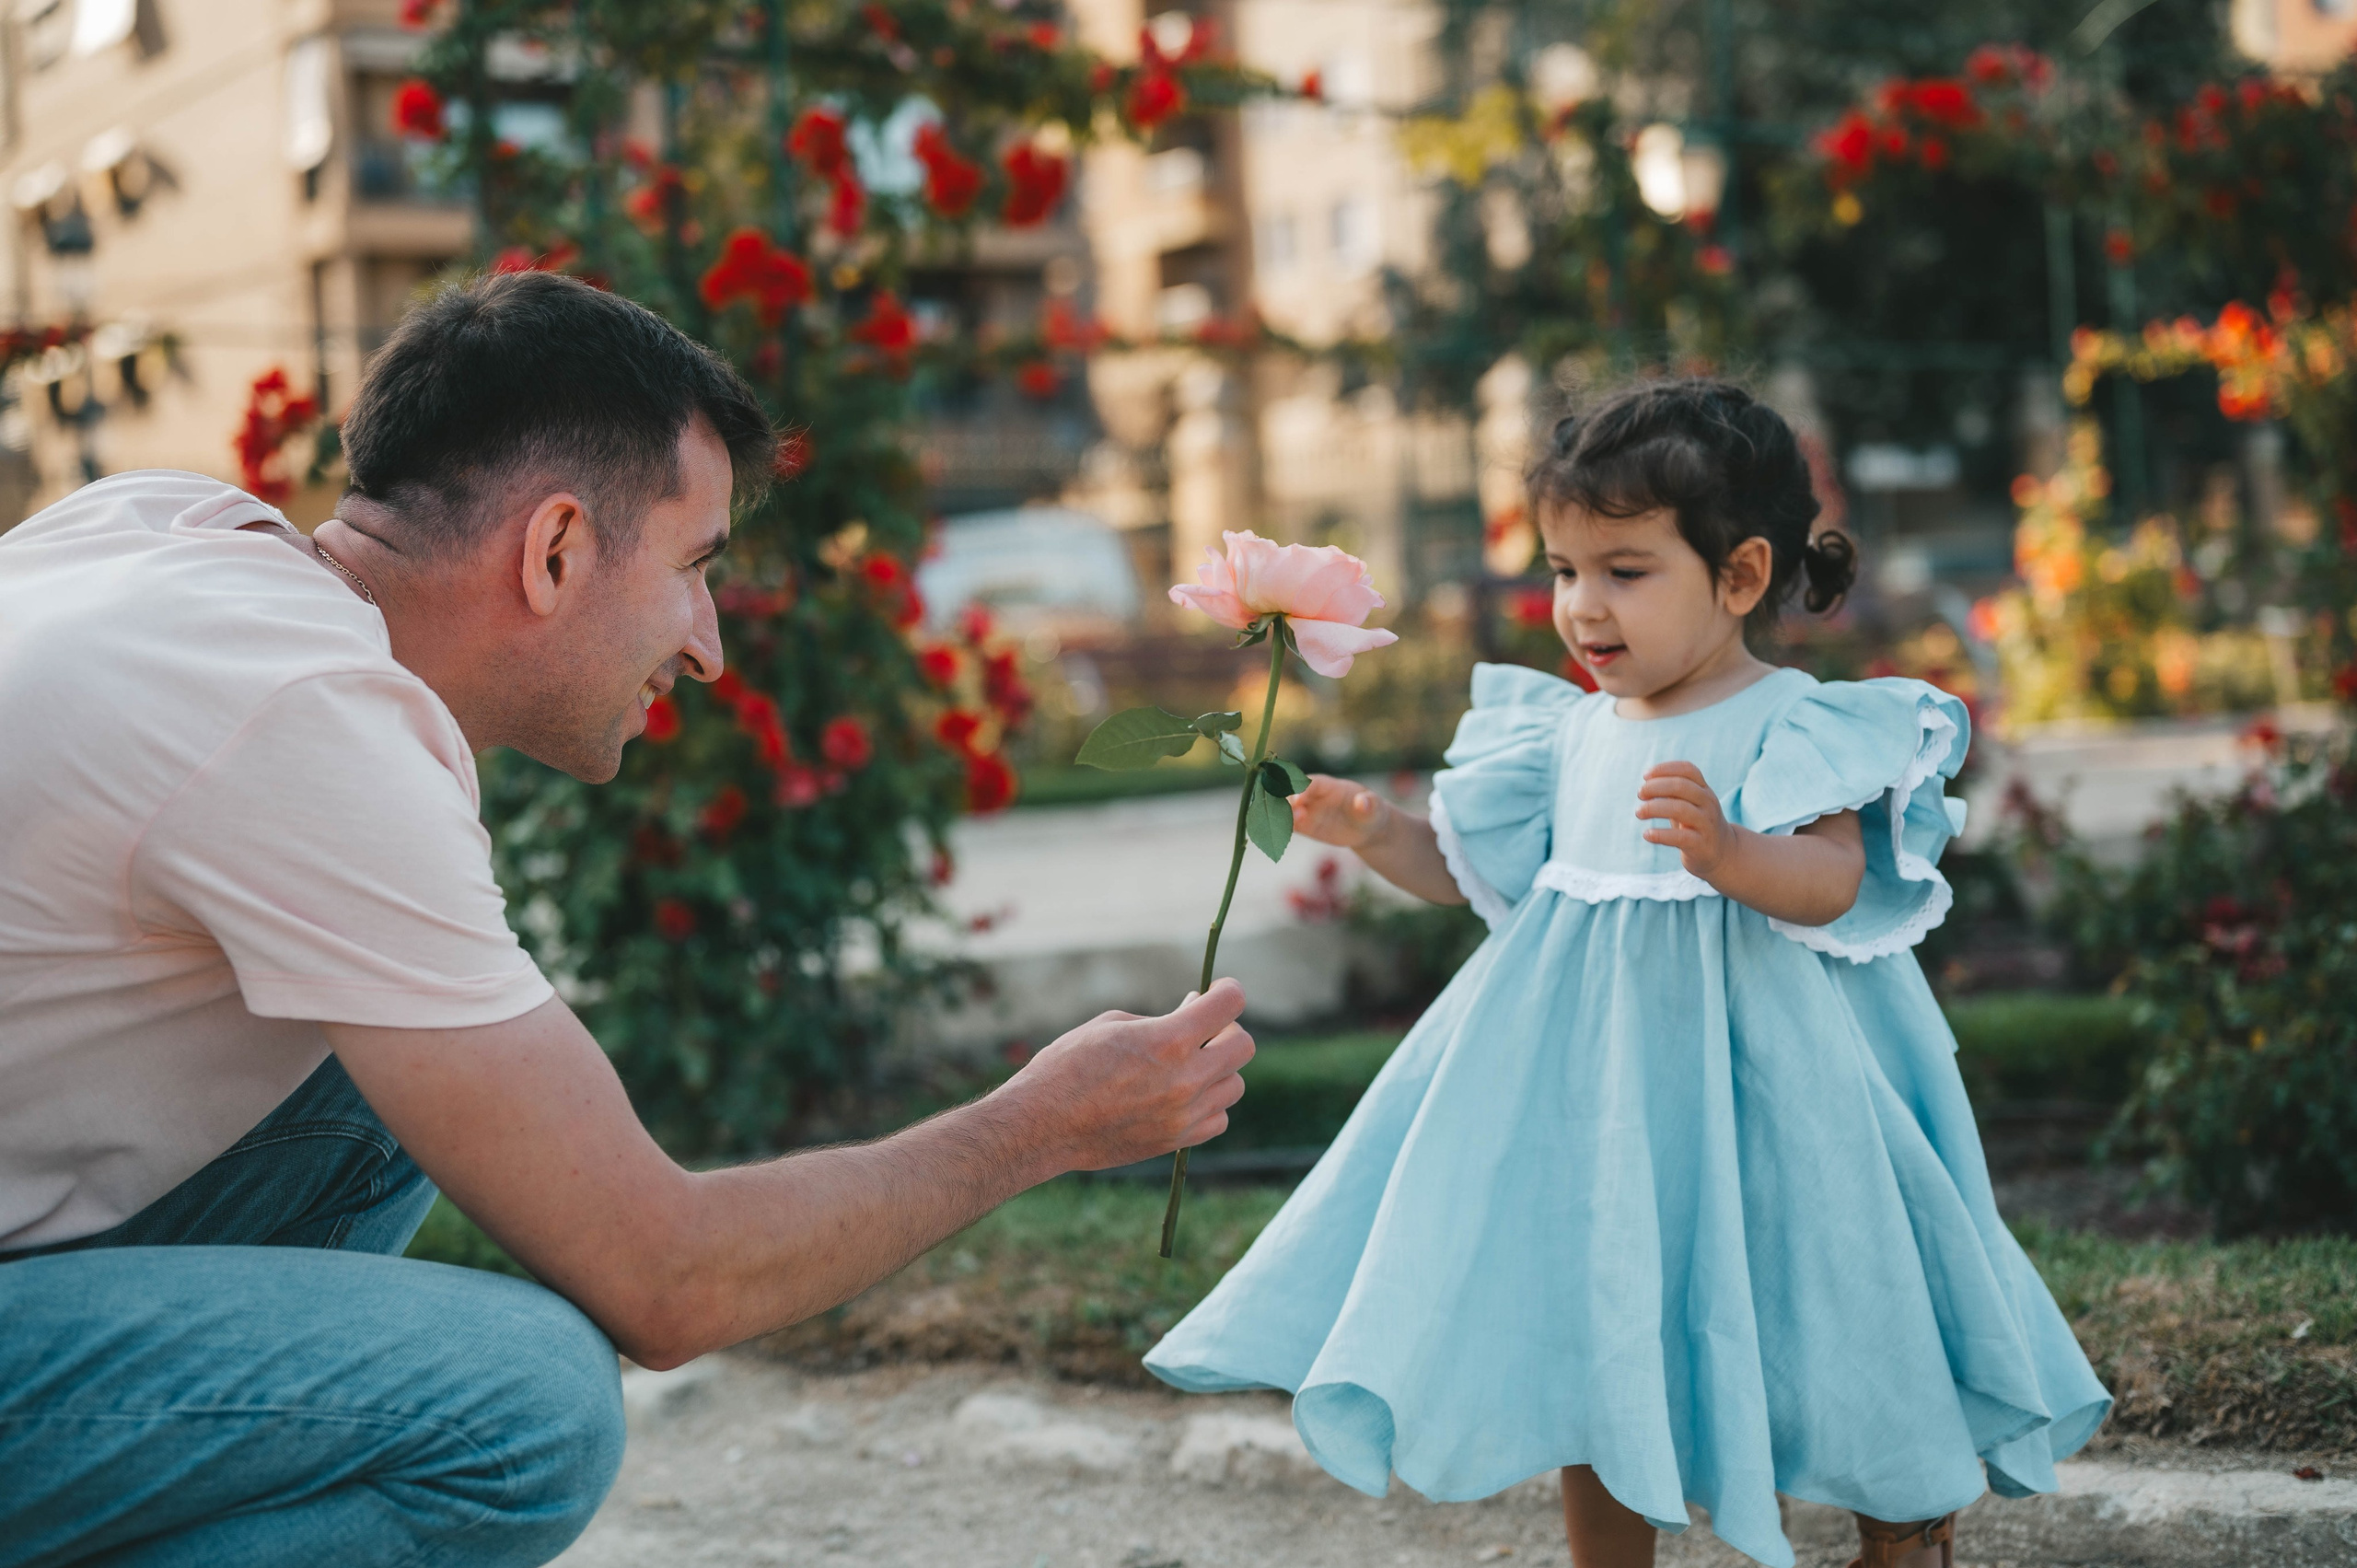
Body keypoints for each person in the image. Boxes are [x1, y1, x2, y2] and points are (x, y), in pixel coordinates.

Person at [0, 269, 1254, 1568]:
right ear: (553, 551)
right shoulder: (300, 720)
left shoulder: (160, 531)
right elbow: (667, 1281)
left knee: (401, 1082)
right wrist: (1034, 1127)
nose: (709, 646)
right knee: (521, 1402)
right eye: (693, 567)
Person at [1142, 379, 2108, 1568]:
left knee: (1840, 1292)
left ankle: (1901, 1521)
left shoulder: (1799, 723)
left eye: (1626, 572)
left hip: (1780, 1087)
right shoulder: (1566, 732)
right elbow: (1478, 877)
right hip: (1601, 1093)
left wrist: (1732, 852)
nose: (1582, 609)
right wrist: (1378, 832)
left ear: (1742, 576)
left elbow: (1838, 881)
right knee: (1595, 1315)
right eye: (1563, 571)